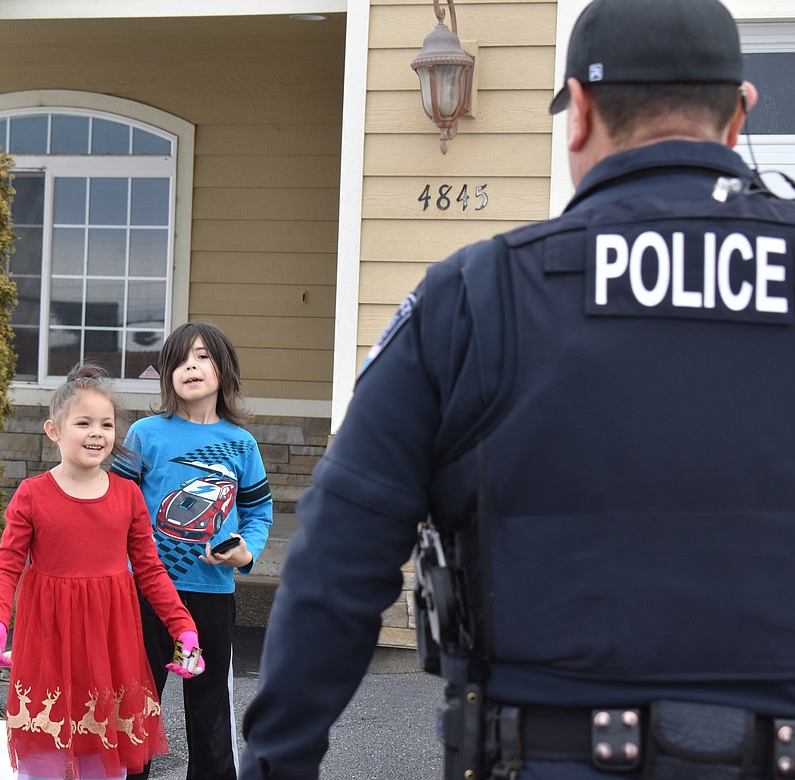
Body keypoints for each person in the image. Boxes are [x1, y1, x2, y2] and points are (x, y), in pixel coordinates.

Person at [239, 0, 795, 778]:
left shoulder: (473, 297)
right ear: (739, 115)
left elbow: (339, 557)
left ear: (581, 112)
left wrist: (277, 763)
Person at [0, 363, 206, 780]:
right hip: (48, 638)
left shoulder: (128, 497)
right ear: (54, 431)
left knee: (103, 751)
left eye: (106, 424)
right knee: (47, 752)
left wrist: (183, 627)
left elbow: (151, 572)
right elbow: (7, 565)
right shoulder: (32, 495)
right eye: (83, 423)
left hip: (110, 643)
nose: (97, 432)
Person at [111, 321, 274, 780]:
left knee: (210, 712)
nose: (191, 366)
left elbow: (260, 514)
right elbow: (113, 505)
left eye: (203, 357)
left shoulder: (242, 445)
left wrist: (246, 551)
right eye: (181, 359)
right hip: (145, 592)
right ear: (167, 374)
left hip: (212, 595)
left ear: (223, 370)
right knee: (136, 705)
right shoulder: (145, 434)